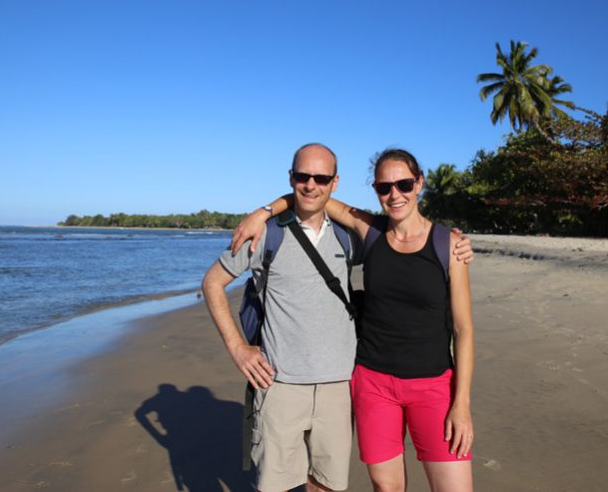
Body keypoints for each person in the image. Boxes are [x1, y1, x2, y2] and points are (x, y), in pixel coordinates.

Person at [203, 143, 473, 492]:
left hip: (391, 385)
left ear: (419, 183)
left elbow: (464, 329)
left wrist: (462, 403)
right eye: (383, 187)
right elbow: (309, 198)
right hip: (342, 381)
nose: (395, 194)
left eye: (404, 185)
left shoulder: (423, 242)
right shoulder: (347, 232)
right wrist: (264, 211)